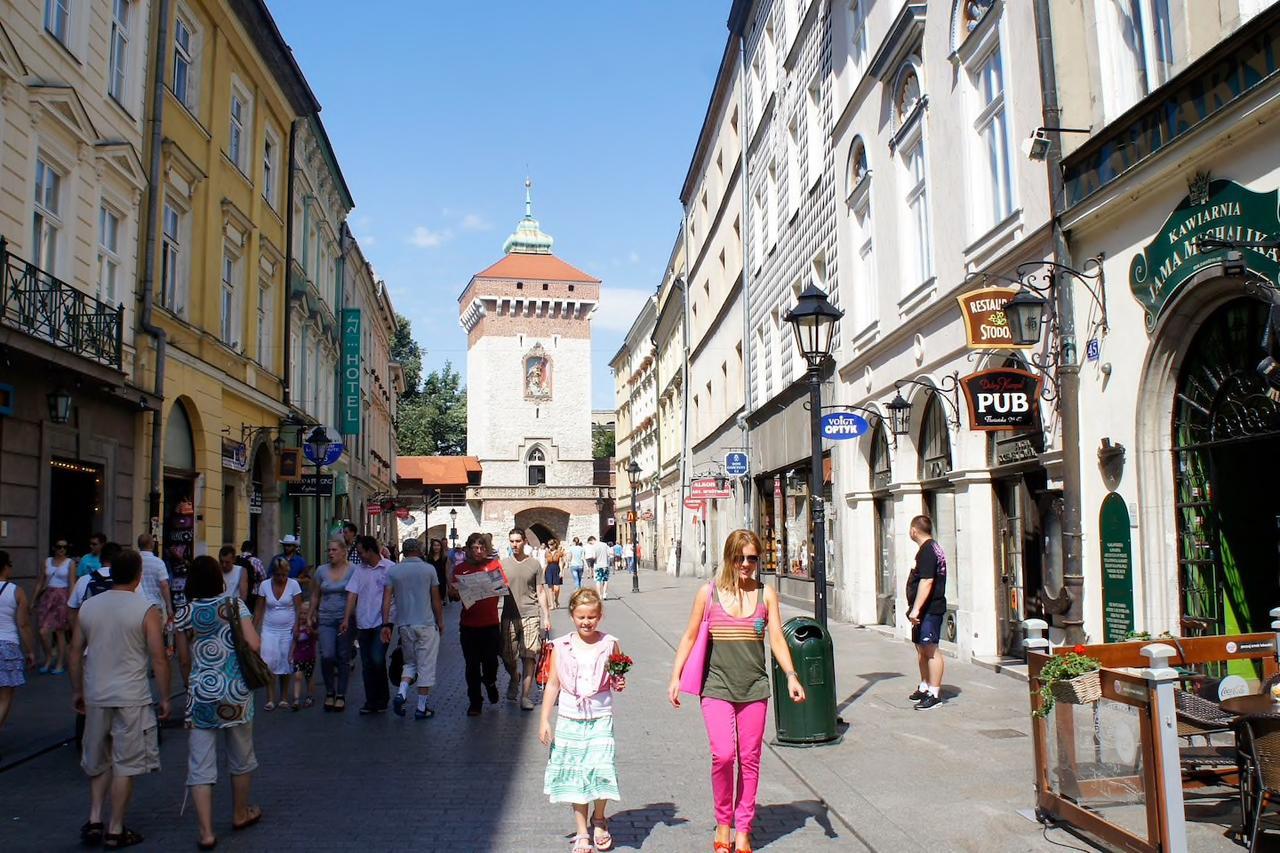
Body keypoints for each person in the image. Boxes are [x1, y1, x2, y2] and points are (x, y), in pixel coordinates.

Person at [668, 530, 807, 853]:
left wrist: (791, 675)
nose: (746, 564)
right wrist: (675, 676)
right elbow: (689, 636)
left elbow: (776, 638)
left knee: (750, 758)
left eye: (752, 558)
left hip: (754, 687)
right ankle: (723, 822)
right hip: (715, 686)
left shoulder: (766, 594)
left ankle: (743, 828)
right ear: (730, 558)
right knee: (723, 755)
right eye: (740, 558)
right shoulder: (709, 593)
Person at [69, 549, 169, 850]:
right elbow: (159, 658)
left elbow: (74, 652)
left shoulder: (89, 606)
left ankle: (95, 818)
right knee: (126, 763)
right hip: (132, 696)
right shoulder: (146, 609)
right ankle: (115, 828)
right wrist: (165, 696)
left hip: (97, 694)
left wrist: (77, 690)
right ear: (139, 575)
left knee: (99, 760)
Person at [173, 555, 262, 850]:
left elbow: (183, 658)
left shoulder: (184, 612)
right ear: (218, 579)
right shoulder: (234, 606)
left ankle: (207, 831)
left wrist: (190, 681)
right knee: (241, 756)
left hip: (201, 692)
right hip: (235, 691)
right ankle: (240, 813)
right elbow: (253, 644)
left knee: (200, 763)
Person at [540, 588, 627, 853]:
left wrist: (619, 680)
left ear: (599, 616)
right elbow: (553, 684)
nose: (586, 622)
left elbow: (616, 675)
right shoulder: (561, 645)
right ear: (572, 616)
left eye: (591, 617)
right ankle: (581, 831)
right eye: (581, 617)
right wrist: (544, 720)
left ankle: (599, 819)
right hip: (569, 717)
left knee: (601, 767)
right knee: (576, 774)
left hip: (600, 715)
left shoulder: (610, 643)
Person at [381, 538, 443, 720]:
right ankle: (421, 708)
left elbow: (386, 600)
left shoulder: (394, 571)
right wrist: (440, 621)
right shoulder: (428, 569)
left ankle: (401, 692)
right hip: (425, 623)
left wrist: (385, 624)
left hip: (404, 625)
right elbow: (436, 599)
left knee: (409, 663)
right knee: (426, 666)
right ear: (420, 550)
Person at [450, 532, 507, 717]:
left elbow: (503, 586)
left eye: (482, 548)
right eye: (475, 548)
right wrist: (457, 593)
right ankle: (475, 702)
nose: (479, 551)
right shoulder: (461, 569)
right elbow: (452, 594)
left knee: (491, 662)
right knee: (472, 665)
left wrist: (493, 586)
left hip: (490, 623)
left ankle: (490, 682)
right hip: (469, 626)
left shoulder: (493, 565)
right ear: (468, 549)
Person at [500, 528, 552, 709]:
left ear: (524, 542)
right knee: (508, 656)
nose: (515, 544)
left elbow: (540, 591)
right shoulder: (502, 564)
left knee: (529, 655)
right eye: (512, 541)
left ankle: (526, 696)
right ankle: (515, 677)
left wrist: (546, 616)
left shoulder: (535, 564)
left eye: (518, 541)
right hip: (508, 615)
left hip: (530, 614)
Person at [341, 535, 391, 714]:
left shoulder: (389, 568)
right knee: (367, 662)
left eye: (361, 552)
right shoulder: (359, 570)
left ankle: (382, 698)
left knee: (377, 659)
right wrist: (347, 619)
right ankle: (371, 700)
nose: (359, 556)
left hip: (382, 622)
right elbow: (352, 595)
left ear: (370, 551)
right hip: (363, 621)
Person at [906, 515, 948, 710]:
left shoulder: (929, 551)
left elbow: (927, 581)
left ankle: (935, 692)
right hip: (922, 611)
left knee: (930, 649)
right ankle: (925, 686)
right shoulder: (929, 549)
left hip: (929, 609)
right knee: (921, 648)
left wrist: (916, 608)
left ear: (914, 531)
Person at [0, 550, 39, 749]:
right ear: (6, 566)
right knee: (5, 696)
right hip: (7, 645)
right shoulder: (16, 591)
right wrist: (31, 651)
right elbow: (23, 624)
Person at [309, 540, 354, 712]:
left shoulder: (352, 570)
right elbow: (315, 594)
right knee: (327, 655)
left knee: (343, 656)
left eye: (334, 550)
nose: (330, 553)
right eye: (329, 550)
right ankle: (329, 691)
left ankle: (340, 694)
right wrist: (311, 614)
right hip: (326, 618)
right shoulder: (321, 570)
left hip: (345, 619)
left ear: (343, 552)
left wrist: (347, 618)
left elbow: (352, 595)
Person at [254, 556, 301, 712]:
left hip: (287, 629)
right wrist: (254, 630)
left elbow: (298, 608)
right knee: (269, 663)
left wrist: (297, 627)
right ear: (272, 573)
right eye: (278, 575)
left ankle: (284, 698)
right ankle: (270, 698)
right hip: (269, 629)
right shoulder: (264, 585)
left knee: (285, 663)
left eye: (284, 575)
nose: (281, 578)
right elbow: (259, 609)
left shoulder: (294, 585)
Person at [33, 539, 75, 673]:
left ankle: (60, 664)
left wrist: (72, 603)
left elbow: (72, 583)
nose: (62, 549)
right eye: (59, 547)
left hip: (62, 597)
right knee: (43, 631)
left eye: (64, 547)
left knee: (60, 632)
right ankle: (49, 657)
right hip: (48, 596)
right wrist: (33, 599)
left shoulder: (70, 563)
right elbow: (40, 581)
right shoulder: (46, 561)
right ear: (54, 548)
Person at [136, 534, 172, 626]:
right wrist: (169, 607)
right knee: (156, 634)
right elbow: (164, 585)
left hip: (137, 603)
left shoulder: (134, 561)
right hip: (154, 604)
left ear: (139, 545)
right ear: (152, 545)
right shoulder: (158, 562)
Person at [291, 601, 317, 710]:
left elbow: (316, 637)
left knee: (308, 676)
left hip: (309, 656)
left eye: (305, 613)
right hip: (298, 656)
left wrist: (311, 630)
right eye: (301, 613)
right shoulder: (297, 626)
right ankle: (296, 699)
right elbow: (294, 642)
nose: (303, 616)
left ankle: (310, 696)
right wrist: (290, 654)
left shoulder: (311, 626)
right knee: (297, 676)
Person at [427, 539, 450, 609]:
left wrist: (449, 587)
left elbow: (447, 573)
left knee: (439, 605)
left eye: (438, 545)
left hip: (441, 583)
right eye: (434, 545)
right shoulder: (428, 558)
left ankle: (439, 619)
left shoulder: (445, 558)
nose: (436, 547)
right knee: (430, 604)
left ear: (441, 547)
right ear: (432, 547)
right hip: (430, 583)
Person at [544, 538, 564, 610]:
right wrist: (543, 573)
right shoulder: (547, 553)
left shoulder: (559, 553)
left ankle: (556, 599)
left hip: (556, 569)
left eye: (551, 544)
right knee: (550, 588)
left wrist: (561, 571)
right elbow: (546, 563)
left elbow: (560, 562)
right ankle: (552, 604)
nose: (550, 546)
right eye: (549, 545)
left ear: (555, 544)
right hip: (549, 570)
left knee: (557, 588)